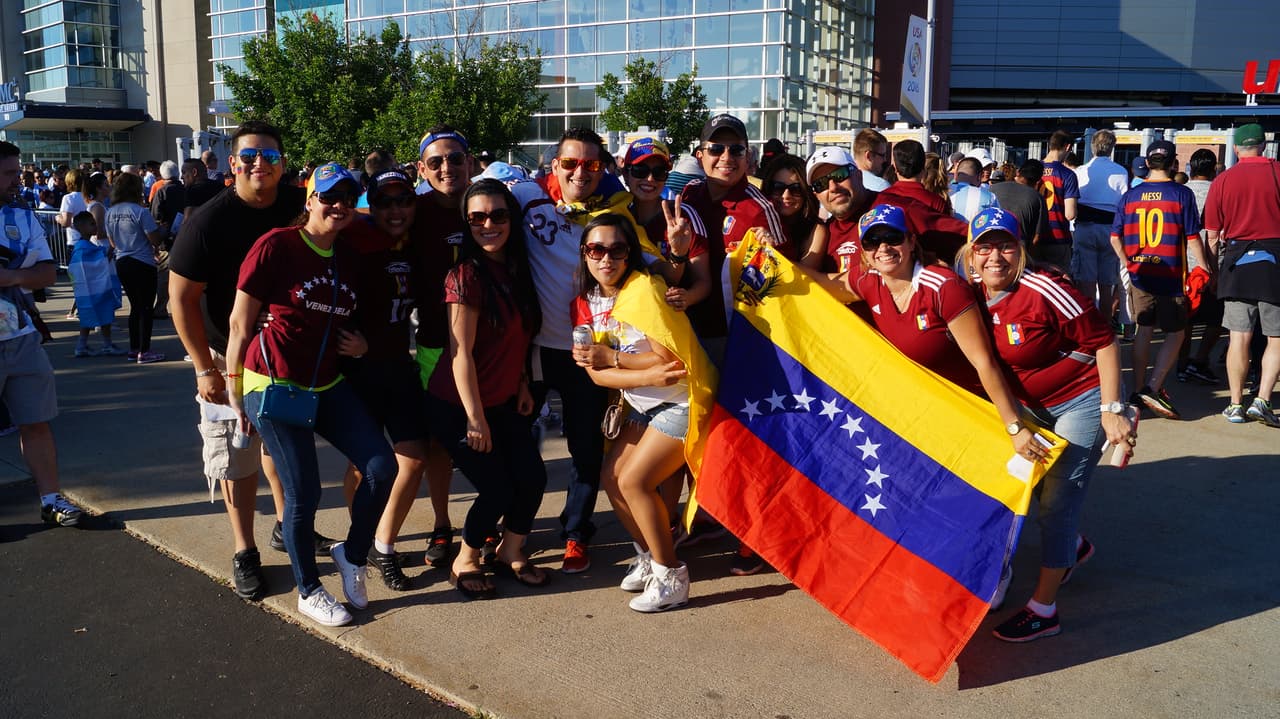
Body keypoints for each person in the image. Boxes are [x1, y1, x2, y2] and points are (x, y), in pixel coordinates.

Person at [226, 162, 397, 627]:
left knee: (383, 467)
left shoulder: (349, 257)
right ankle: (308, 590)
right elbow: (241, 322)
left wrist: (363, 343)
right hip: (272, 383)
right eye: (329, 197)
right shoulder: (276, 245)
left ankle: (352, 554)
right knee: (303, 492)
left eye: (347, 198)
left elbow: (361, 320)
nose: (339, 206)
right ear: (309, 199)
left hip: (325, 382)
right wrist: (234, 388)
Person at [955, 207, 1132, 642]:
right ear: (971, 254)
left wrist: (1113, 408)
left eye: (1005, 245)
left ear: (1022, 250)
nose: (994, 256)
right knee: (1017, 483)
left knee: (1057, 503)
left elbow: (1105, 341)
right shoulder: (966, 294)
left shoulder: (1044, 287)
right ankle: (1072, 547)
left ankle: (1044, 609)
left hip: (1081, 400)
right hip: (1027, 408)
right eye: (985, 247)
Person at [169, 121, 312, 601]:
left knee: (281, 448)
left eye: (270, 157)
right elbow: (180, 300)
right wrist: (203, 368)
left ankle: (285, 527)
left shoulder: (298, 206)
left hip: (285, 355)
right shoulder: (208, 221)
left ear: (283, 165)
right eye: (249, 156)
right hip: (225, 357)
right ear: (233, 165)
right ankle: (244, 549)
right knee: (236, 458)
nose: (259, 165)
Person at [511, 127, 647, 574]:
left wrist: (680, 264)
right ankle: (512, 528)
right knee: (516, 444)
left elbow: (649, 263)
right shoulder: (526, 198)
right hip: (534, 350)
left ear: (602, 169)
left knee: (585, 450)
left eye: (590, 164)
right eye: (570, 163)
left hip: (587, 353)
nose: (579, 173)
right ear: (554, 166)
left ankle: (575, 533)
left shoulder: (615, 215)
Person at [572, 214, 705, 612]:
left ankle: (671, 575)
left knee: (633, 482)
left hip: (680, 403)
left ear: (630, 253)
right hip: (642, 402)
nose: (606, 258)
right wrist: (629, 370)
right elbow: (595, 376)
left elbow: (669, 366)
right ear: (584, 254)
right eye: (596, 249)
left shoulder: (643, 290)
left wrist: (611, 358)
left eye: (617, 249)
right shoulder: (589, 299)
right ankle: (650, 556)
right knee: (611, 478)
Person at [427, 179, 548, 600]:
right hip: (458, 405)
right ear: (467, 224)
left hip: (503, 398)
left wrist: (520, 383)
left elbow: (516, 336)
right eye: (476, 217)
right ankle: (466, 557)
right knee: (497, 488)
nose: (488, 224)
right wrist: (475, 418)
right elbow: (460, 355)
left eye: (498, 215)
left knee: (533, 477)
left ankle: (511, 549)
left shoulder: (516, 270)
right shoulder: (465, 276)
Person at [341, 169, 429, 591]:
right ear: (370, 206)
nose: (395, 210)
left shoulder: (418, 242)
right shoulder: (353, 242)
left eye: (403, 200)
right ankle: (361, 537)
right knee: (365, 465)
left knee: (412, 458)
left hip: (398, 363)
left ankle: (383, 544)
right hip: (358, 370)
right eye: (385, 202)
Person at [0, 141, 83, 526]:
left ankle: (51, 500)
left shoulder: (22, 216)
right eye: (9, 173)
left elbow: (48, 274)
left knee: (36, 421)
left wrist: (10, 276)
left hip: (20, 337)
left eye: (16, 171)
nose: (17, 179)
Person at [410, 125, 476, 567]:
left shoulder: (490, 205)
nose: (446, 167)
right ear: (422, 168)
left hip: (490, 347)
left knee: (491, 438)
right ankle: (441, 524)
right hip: (435, 343)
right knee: (437, 445)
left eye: (455, 159)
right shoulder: (410, 212)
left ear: (469, 162)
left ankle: (489, 523)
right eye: (436, 161)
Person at [1109, 140, 1207, 421]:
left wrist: (1128, 260)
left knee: (1144, 328)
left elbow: (1114, 237)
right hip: (1171, 272)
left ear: (1148, 163)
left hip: (1141, 271)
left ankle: (1138, 388)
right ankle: (1153, 386)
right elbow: (1192, 237)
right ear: (1174, 162)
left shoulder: (1131, 195)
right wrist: (1205, 266)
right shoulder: (1181, 193)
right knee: (1176, 331)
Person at [680, 114, 787, 364]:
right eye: (716, 149)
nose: (726, 158)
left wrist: (774, 254)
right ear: (700, 155)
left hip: (736, 338)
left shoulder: (760, 208)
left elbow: (789, 278)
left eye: (736, 149)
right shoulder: (690, 193)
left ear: (747, 156)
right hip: (687, 326)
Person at [1202, 123, 1280, 426]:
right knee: (1275, 337)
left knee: (1238, 336)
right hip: (1274, 259)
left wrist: (1214, 271)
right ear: (1263, 145)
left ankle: (1234, 403)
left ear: (1236, 148)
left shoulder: (1223, 180)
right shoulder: (1276, 171)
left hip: (1236, 260)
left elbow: (1211, 235)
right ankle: (1262, 399)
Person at [104, 172, 166, 364]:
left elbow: (112, 242)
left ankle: (134, 348)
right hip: (142, 261)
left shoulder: (110, 212)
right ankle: (145, 350)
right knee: (146, 307)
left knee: (134, 307)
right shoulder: (140, 211)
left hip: (122, 260)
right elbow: (154, 238)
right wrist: (163, 229)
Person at [873, 140, 968, 261]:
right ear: (923, 168)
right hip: (925, 268)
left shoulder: (880, 199)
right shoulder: (936, 201)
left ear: (895, 168)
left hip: (887, 262)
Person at [1177, 148, 1223, 385]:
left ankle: (1182, 364)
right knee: (1217, 318)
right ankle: (1200, 358)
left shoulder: (1181, 193)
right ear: (1213, 168)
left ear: (1190, 168)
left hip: (1182, 264)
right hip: (1213, 264)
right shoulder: (1219, 191)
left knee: (1185, 318)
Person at [1072, 130, 1129, 314]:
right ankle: (1105, 326)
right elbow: (1123, 203)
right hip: (1110, 229)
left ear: (1092, 146)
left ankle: (1089, 326)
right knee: (1106, 285)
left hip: (1085, 226)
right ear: (1113, 147)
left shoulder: (1081, 170)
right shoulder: (1121, 172)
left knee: (1086, 283)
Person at [800, 147, 876, 275]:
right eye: (821, 184)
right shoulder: (823, 235)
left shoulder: (890, 208)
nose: (833, 187)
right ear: (816, 195)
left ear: (858, 175)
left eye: (840, 175)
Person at [68, 212, 123, 358]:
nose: (95, 226)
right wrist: (112, 247)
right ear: (81, 227)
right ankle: (106, 344)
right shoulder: (84, 248)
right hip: (97, 289)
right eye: (92, 223)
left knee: (87, 316)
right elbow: (102, 261)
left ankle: (82, 345)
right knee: (104, 314)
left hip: (88, 290)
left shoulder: (83, 247)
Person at [761, 153, 823, 260]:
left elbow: (805, 274)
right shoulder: (759, 222)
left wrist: (771, 251)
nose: (786, 196)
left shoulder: (816, 230)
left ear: (806, 192)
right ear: (768, 189)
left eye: (796, 189)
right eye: (777, 188)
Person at [1038, 130, 1079, 269]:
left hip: (1035, 237)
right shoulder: (1067, 175)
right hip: (1058, 237)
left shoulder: (1033, 169)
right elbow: (1070, 214)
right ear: (1067, 147)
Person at [949, 156, 1000, 223]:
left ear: (956, 174)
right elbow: (995, 223)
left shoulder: (942, 191)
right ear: (979, 176)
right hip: (973, 233)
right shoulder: (990, 197)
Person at [853, 128, 891, 192]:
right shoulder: (881, 186)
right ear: (869, 156)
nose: (885, 160)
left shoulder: (844, 182)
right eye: (882, 155)